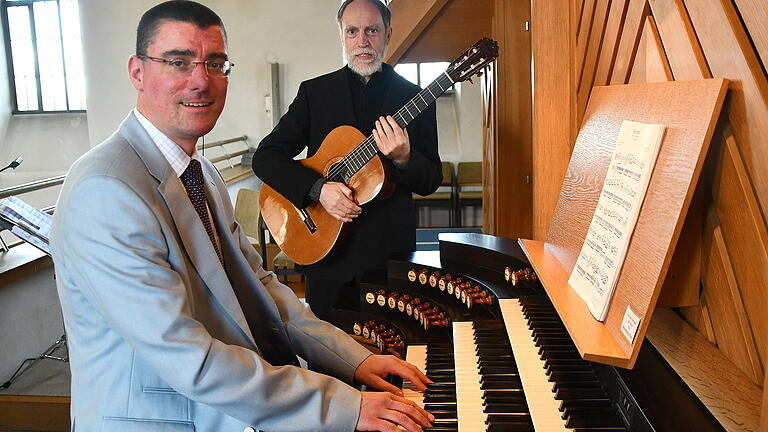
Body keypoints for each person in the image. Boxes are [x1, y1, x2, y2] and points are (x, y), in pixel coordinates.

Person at [50, 2, 433, 431]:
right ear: (137, 72)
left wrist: (356, 359)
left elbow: (263, 290)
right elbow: (188, 357)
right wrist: (347, 407)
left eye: (215, 63)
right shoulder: (105, 189)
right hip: (164, 421)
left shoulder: (203, 174)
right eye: (178, 61)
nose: (201, 80)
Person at [252, 0, 442, 324]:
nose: (363, 40)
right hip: (326, 258)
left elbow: (431, 180)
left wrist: (405, 157)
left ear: (388, 35)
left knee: (394, 357)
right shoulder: (315, 93)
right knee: (329, 361)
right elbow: (266, 158)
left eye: (372, 30)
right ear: (342, 36)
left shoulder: (416, 98)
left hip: (389, 259)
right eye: (352, 31)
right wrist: (317, 189)